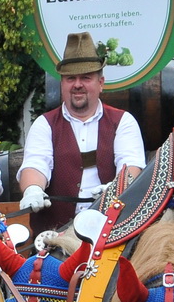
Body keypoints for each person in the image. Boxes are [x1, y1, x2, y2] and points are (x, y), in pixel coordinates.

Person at [15, 32, 146, 233]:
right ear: (62, 84)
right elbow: (36, 164)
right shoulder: (44, 124)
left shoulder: (123, 122)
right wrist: (33, 189)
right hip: (55, 238)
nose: (77, 84)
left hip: (110, 233)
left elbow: (130, 165)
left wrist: (117, 188)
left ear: (100, 83)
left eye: (85, 78)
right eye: (70, 78)